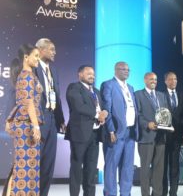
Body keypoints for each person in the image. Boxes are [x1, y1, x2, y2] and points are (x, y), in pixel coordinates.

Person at [3, 44, 42, 196]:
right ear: (26, 57)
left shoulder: (29, 74)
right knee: (24, 168)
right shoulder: (26, 75)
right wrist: (36, 126)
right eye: (36, 56)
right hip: (27, 125)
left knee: (26, 167)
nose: (38, 59)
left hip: (26, 124)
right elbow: (29, 102)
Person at [65, 65, 107, 196]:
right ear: (80, 74)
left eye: (93, 74)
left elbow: (103, 108)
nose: (92, 76)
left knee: (91, 170)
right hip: (79, 135)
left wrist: (105, 113)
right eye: (88, 73)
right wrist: (97, 115)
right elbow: (79, 106)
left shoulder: (96, 91)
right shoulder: (74, 87)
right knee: (76, 169)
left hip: (95, 135)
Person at [100, 61, 138, 196]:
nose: (126, 72)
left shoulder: (131, 87)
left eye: (128, 70)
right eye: (123, 69)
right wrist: (110, 130)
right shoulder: (108, 85)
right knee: (111, 166)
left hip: (130, 132)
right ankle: (110, 193)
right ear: (116, 70)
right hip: (115, 132)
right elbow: (107, 108)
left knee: (127, 167)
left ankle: (125, 193)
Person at [34, 38, 65, 196]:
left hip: (52, 119)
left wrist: (61, 120)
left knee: (48, 163)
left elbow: (56, 96)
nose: (54, 52)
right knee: (34, 161)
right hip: (38, 119)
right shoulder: (32, 67)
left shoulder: (54, 70)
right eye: (51, 49)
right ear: (40, 49)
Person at [135, 72, 169, 196]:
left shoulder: (161, 95)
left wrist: (169, 125)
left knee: (159, 170)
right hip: (146, 137)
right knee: (145, 170)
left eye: (155, 79)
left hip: (160, 137)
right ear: (145, 80)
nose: (153, 81)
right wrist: (147, 124)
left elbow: (165, 114)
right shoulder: (138, 94)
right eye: (151, 79)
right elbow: (137, 115)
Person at [162, 72, 183, 196]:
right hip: (163, 138)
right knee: (163, 167)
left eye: (175, 79)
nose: (174, 81)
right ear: (165, 81)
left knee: (175, 167)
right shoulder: (160, 96)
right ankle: (163, 192)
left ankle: (173, 192)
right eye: (170, 79)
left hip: (177, 138)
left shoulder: (182, 96)